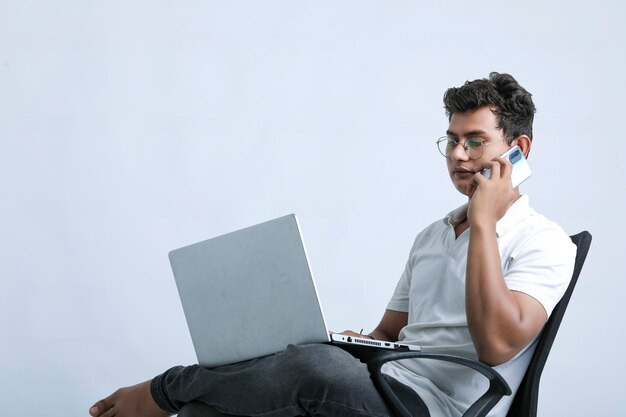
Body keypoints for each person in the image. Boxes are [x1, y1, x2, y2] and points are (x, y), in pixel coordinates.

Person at [88, 72, 576, 417]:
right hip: (386, 383)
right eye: (451, 141)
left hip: (434, 408)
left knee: (307, 367)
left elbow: (494, 346)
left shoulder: (545, 242)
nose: (459, 156)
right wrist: (332, 342)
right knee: (214, 404)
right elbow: (388, 336)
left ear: (519, 149)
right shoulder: (432, 236)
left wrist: (485, 222)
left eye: (475, 141)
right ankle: (187, 394)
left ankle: (164, 389)